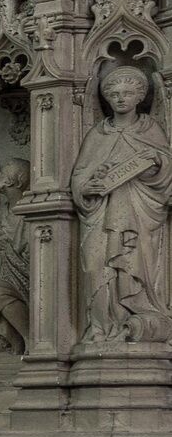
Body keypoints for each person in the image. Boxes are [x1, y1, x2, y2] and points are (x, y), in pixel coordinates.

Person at [75, 60, 172, 347]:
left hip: (140, 214)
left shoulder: (150, 129)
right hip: (101, 216)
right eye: (114, 94)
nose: (120, 99)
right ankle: (101, 326)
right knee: (96, 268)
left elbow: (166, 168)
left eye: (127, 94)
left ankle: (134, 320)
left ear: (140, 97)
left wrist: (157, 162)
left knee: (133, 266)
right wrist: (86, 186)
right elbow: (80, 173)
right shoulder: (97, 134)